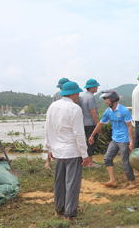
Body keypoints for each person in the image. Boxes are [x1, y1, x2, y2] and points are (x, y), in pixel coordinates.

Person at [45, 81, 89, 222]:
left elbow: (48, 129)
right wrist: (84, 154)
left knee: (59, 182)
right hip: (72, 151)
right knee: (72, 183)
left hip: (58, 151)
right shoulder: (74, 108)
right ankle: (69, 214)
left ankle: (58, 210)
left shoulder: (52, 106)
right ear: (74, 94)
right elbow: (79, 133)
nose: (78, 96)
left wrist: (49, 148)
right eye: (78, 93)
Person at [89, 90, 137, 190]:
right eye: (105, 99)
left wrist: (131, 142)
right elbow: (100, 124)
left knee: (125, 161)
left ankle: (132, 181)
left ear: (113, 99)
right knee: (107, 158)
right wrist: (92, 136)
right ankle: (112, 180)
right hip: (115, 140)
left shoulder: (124, 111)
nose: (105, 101)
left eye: (107, 99)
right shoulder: (108, 111)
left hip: (124, 140)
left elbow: (129, 126)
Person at [46, 77, 69, 169]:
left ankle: (51, 161)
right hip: (60, 121)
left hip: (59, 121)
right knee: (53, 141)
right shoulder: (58, 95)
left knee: (54, 141)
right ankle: (48, 161)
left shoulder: (57, 95)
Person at [79, 79, 101, 168]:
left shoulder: (83, 97)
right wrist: (97, 125)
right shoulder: (91, 97)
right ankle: (91, 163)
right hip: (91, 123)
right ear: (92, 87)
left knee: (88, 141)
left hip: (85, 123)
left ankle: (88, 160)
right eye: (96, 86)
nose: (97, 88)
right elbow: (93, 112)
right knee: (92, 141)